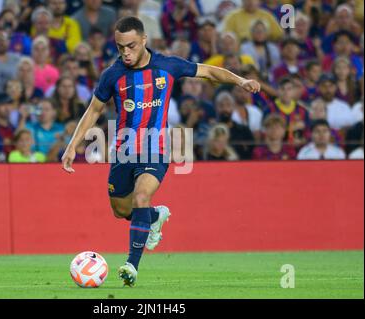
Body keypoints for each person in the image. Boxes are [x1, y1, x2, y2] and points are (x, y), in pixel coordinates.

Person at [61, 17, 260, 286]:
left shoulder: (168, 65)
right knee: (121, 210)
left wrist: (240, 81)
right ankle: (155, 215)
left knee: (141, 196)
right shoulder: (113, 75)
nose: (126, 53)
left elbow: (209, 72)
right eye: (120, 47)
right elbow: (94, 110)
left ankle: (132, 264)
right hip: (123, 152)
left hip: (156, 149)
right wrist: (73, 145)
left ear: (144, 40)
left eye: (131, 46)